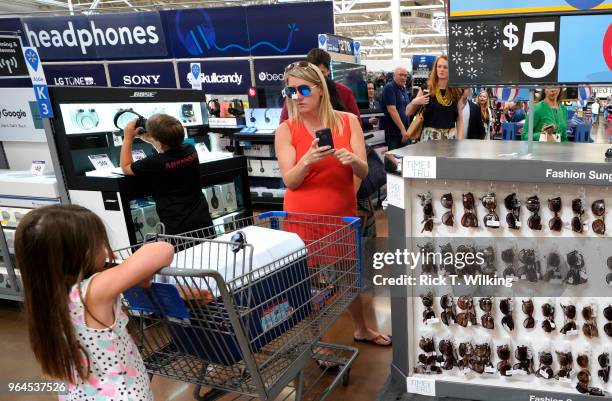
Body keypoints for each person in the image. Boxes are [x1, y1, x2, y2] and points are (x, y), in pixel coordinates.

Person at [275, 61, 391, 347]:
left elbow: (364, 172)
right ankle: (314, 341)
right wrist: (307, 160)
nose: (297, 96)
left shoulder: (348, 121)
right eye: (291, 91)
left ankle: (362, 328)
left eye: (303, 89)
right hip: (303, 219)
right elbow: (290, 180)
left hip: (342, 215)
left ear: (320, 91)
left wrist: (353, 161)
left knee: (350, 276)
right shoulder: (286, 130)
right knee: (308, 283)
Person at [15, 204, 174, 401]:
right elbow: (163, 250)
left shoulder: (44, 297)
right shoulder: (92, 291)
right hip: (122, 394)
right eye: (100, 242)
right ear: (84, 252)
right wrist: (128, 271)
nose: (106, 250)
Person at [120, 114, 213, 235]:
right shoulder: (190, 150)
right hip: (202, 219)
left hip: (178, 227)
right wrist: (154, 140)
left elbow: (126, 166)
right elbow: (167, 153)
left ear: (160, 143)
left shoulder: (154, 163)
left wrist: (128, 138)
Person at [280, 48, 360, 122]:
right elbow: (284, 121)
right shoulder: (294, 94)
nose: (317, 78)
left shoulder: (344, 92)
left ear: (328, 71)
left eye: (321, 73)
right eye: (313, 73)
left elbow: (356, 122)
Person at [407, 56, 464, 141]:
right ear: (435, 68)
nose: (441, 69)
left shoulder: (457, 92)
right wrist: (415, 102)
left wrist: (460, 139)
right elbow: (408, 112)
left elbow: (459, 118)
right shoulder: (427, 88)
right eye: (439, 66)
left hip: (449, 137)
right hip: (429, 138)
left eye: (445, 67)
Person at [381, 66, 410, 150]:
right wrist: (403, 129)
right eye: (401, 75)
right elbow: (392, 110)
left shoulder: (403, 89)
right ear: (394, 76)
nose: (403, 77)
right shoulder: (389, 87)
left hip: (402, 133)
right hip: (392, 134)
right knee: (393, 160)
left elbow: (406, 109)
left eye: (405, 75)